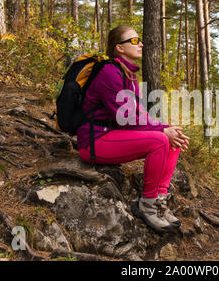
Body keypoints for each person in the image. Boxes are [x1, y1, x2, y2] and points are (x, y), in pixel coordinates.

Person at [77, 25, 190, 233]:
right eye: (134, 41)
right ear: (119, 48)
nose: (141, 44)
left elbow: (140, 115)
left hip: (114, 135)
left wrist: (167, 128)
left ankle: (159, 201)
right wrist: (162, 132)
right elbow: (126, 119)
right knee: (160, 141)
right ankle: (146, 205)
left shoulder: (128, 75)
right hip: (94, 142)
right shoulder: (109, 73)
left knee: (173, 142)